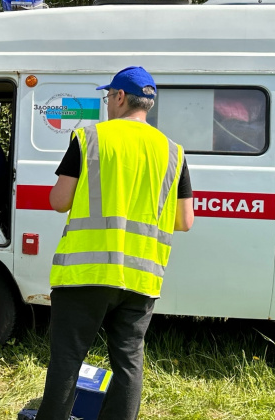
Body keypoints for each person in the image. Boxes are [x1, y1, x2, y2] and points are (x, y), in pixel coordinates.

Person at [35, 66, 194, 420]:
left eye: (108, 96)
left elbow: (59, 200)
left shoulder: (91, 137)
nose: (107, 103)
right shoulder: (173, 151)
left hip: (85, 273)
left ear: (120, 97)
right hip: (141, 279)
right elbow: (185, 221)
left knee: (67, 360)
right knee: (128, 364)